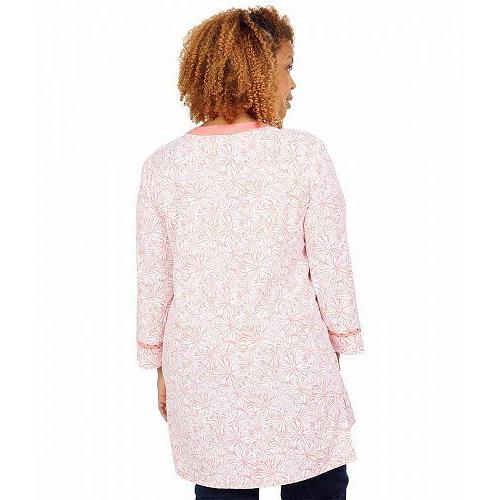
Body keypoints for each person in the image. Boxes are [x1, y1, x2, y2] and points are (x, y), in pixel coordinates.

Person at [135, 6, 365, 499]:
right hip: (294, 364)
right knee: (317, 482)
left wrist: (159, 363)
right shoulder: (303, 154)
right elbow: (331, 266)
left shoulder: (163, 167)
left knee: (221, 487)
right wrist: (340, 346)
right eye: (286, 66)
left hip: (202, 371)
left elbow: (156, 280)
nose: (292, 83)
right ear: (256, 70)